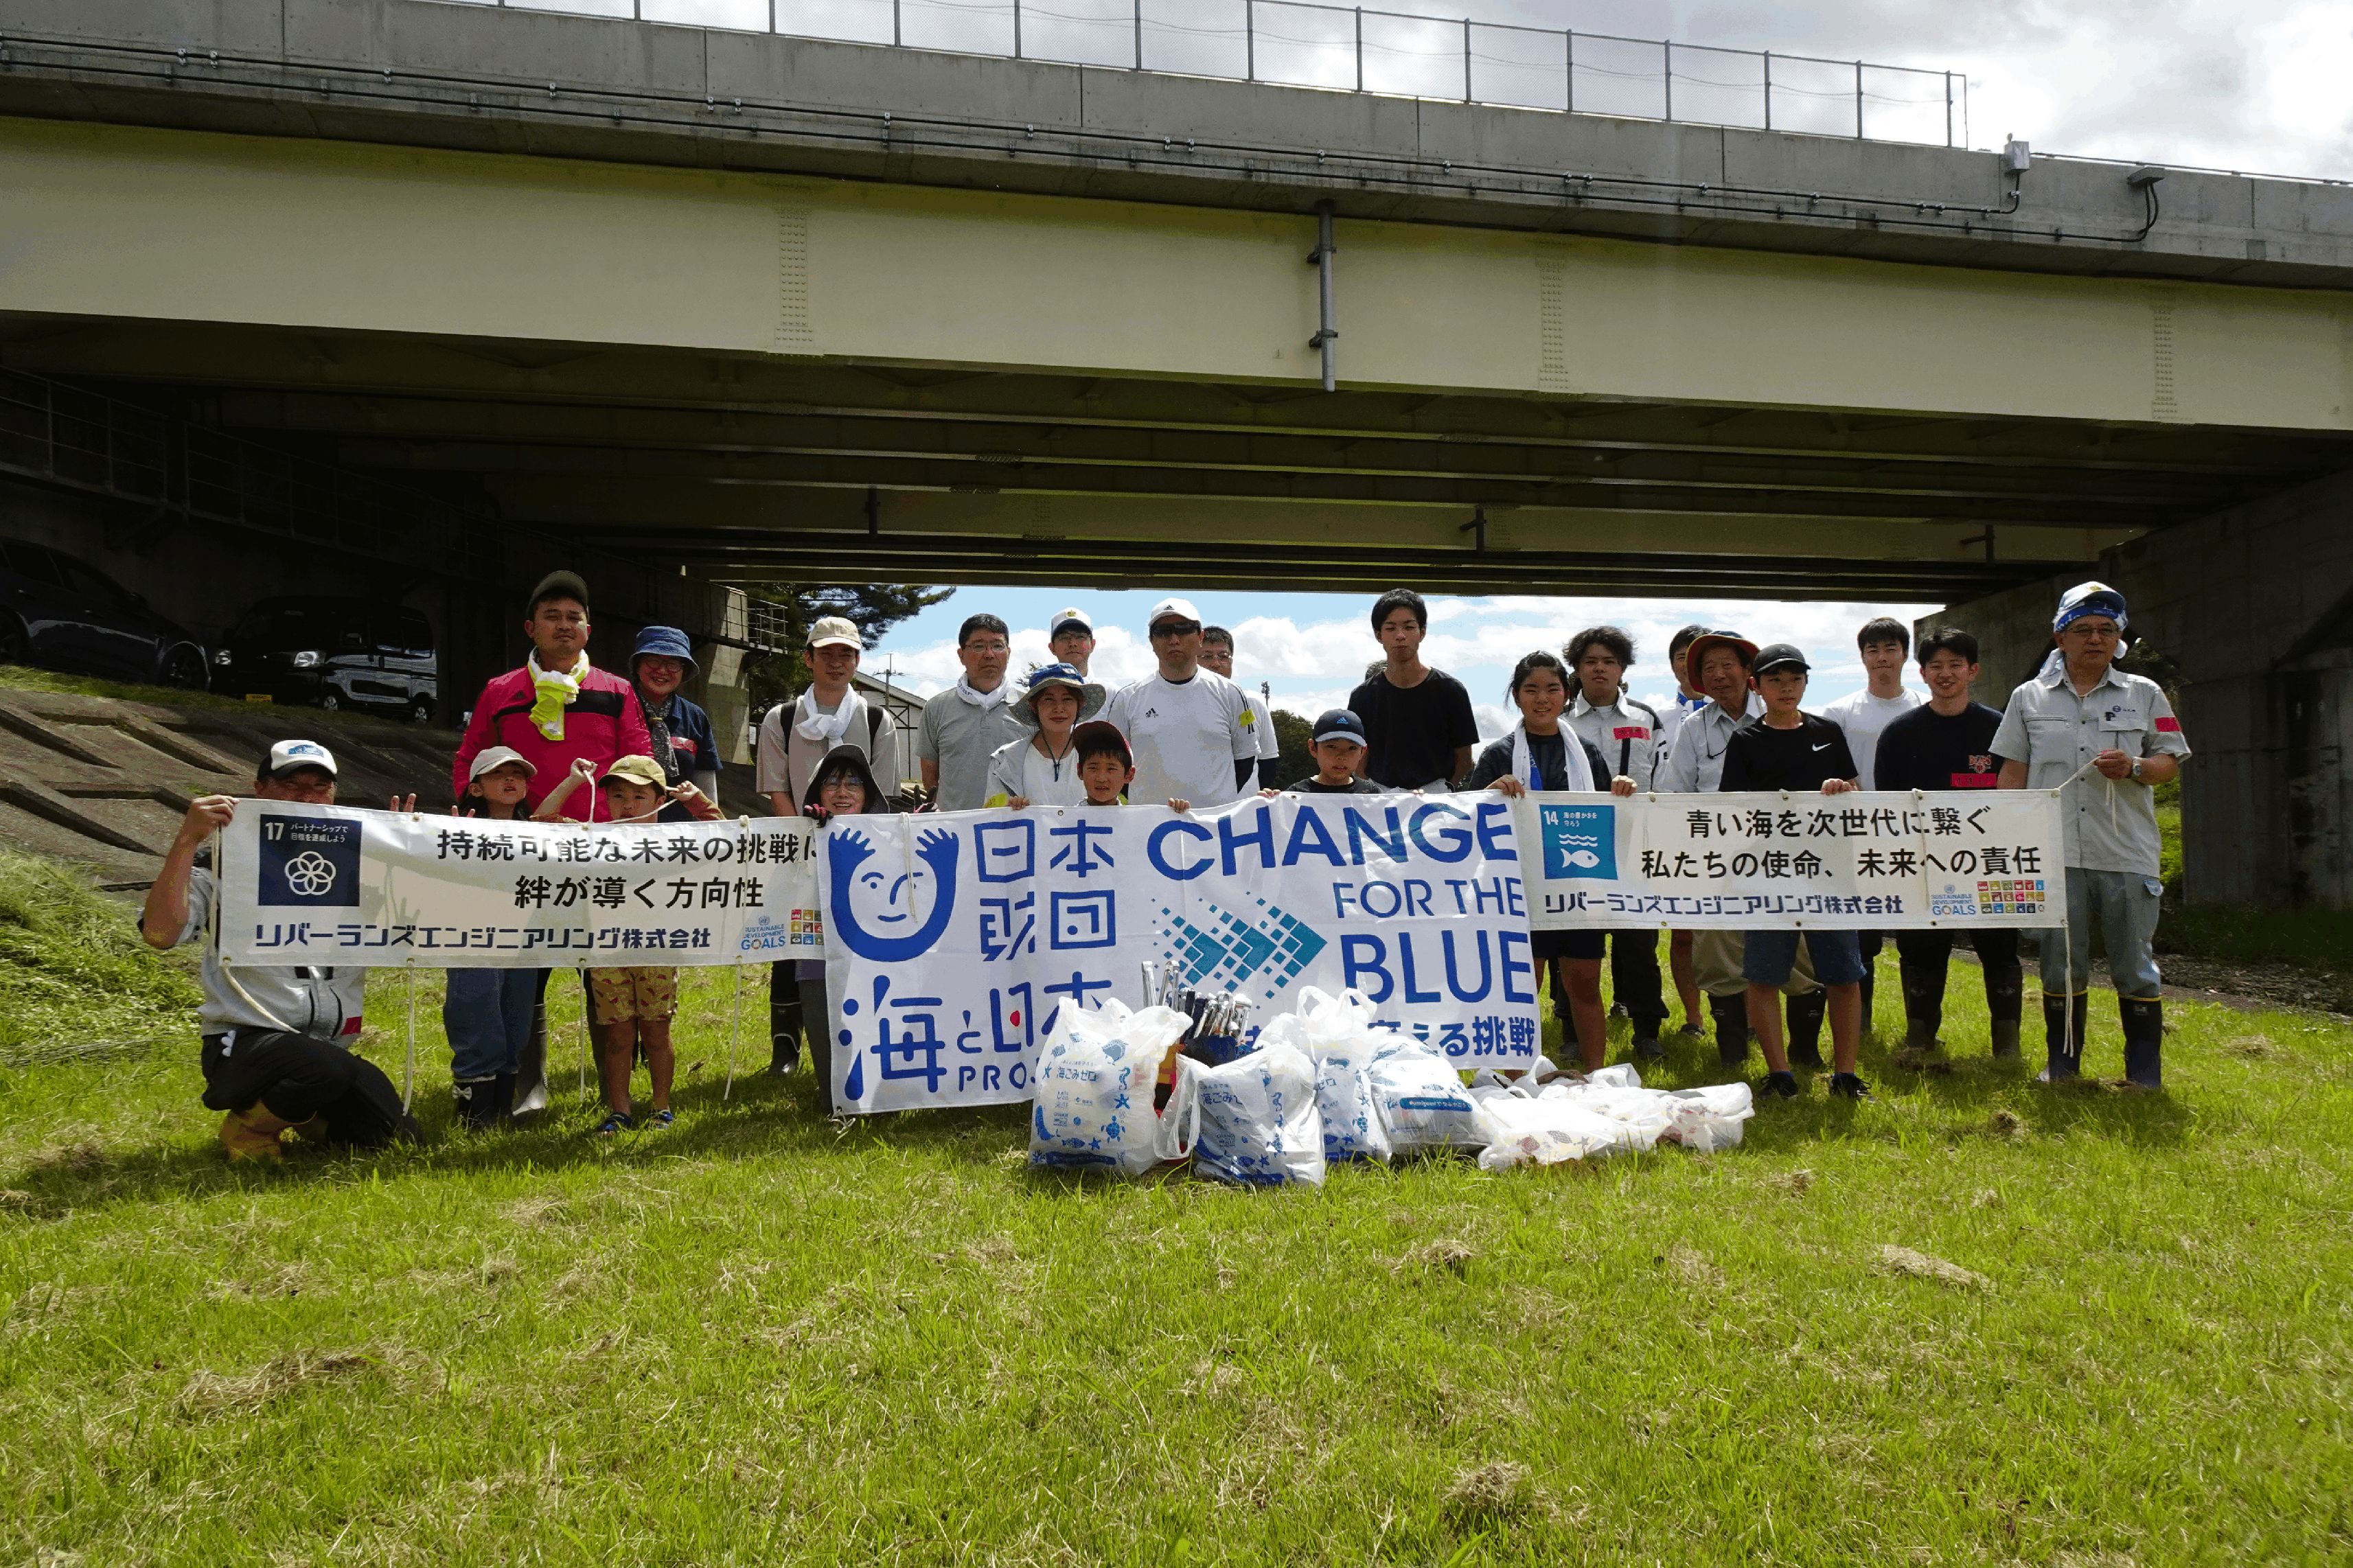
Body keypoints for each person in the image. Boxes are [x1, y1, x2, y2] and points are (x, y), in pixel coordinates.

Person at [140, 740, 419, 1162]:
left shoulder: (362, 865)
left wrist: (415, 856)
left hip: (328, 1047)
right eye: (293, 785)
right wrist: (186, 838)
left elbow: (417, 925)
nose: (306, 797)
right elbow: (160, 934)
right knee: (325, 1068)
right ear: (259, 789)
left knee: (397, 1139)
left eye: (319, 788)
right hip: (247, 1043)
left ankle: (302, 1114)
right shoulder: (221, 862)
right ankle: (249, 1127)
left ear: (334, 796)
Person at [1992, 581, 2189, 1089]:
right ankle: (2062, 1068)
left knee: (2133, 963)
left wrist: (2135, 766)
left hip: (2126, 850)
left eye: (2106, 629)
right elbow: (2012, 772)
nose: (2094, 639)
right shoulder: (2027, 698)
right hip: (2054, 854)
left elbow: (2169, 762)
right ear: (2059, 637)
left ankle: (2143, 1074)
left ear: (2119, 637)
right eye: (2082, 630)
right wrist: (2006, 839)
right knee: (2060, 964)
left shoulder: (2144, 693)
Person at [1657, 631, 1829, 1070]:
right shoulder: (1694, 729)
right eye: (1708, 668)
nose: (1718, 675)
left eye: (1727, 664)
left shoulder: (1788, 717)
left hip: (1791, 853)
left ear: (1751, 673)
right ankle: (1732, 1050)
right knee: (1718, 951)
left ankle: (1805, 1053)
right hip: (1719, 859)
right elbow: (1675, 794)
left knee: (1800, 949)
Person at [1468, 651, 1638, 1072]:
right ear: (1516, 695)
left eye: (1552, 689)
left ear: (1567, 694)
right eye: (1531, 689)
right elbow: (1468, 815)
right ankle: (1515, 1078)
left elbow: (1610, 818)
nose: (1542, 698)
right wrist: (1491, 791)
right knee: (1524, 987)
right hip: (1521, 888)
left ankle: (1596, 1076)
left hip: (1578, 889)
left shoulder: (1589, 754)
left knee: (1584, 984)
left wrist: (1621, 790)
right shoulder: (1498, 754)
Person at [753, 614, 906, 1078]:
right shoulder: (781, 719)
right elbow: (777, 787)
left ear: (858, 661)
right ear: (808, 658)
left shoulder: (878, 720)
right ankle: (786, 1046)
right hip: (795, 847)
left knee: (857, 938)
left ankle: (856, 1034)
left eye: (845, 653)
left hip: (859, 854)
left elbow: (885, 795)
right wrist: (804, 837)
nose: (835, 662)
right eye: (826, 653)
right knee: (790, 939)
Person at [536, 754, 721, 1134]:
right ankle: (620, 1111)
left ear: (659, 801)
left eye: (639, 796)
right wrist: (572, 782)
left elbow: (724, 837)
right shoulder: (593, 838)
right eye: (618, 796)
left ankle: (661, 1107)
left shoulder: (676, 841)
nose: (628, 805)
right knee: (618, 1035)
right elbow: (541, 825)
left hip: (657, 950)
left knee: (657, 1032)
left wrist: (697, 801)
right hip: (608, 953)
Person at [1719, 643, 1872, 1101]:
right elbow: (1732, 810)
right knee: (1764, 977)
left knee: (1844, 976)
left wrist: (1841, 789)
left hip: (1830, 872)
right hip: (1767, 874)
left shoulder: (1827, 731)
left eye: (1795, 679)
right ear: (1756, 686)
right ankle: (1779, 1074)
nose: (1786, 688)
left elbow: (1856, 792)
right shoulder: (1745, 741)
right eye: (1775, 681)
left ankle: (1845, 1075)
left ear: (1805, 682)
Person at [1873, 628, 2023, 1057]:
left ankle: (2006, 1045)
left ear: (1972, 671)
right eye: (1936, 666)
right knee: (1921, 950)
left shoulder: (1999, 729)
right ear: (1922, 673)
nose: (1945, 674)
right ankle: (1920, 1038)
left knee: (2000, 950)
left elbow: (2017, 800)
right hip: (1923, 863)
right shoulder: (1900, 733)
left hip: (1991, 862)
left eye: (1955, 665)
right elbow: (1890, 808)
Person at [450, 570, 652, 822]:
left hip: (598, 838)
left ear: (587, 630)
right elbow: (470, 760)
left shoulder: (618, 691)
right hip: (521, 837)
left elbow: (641, 766)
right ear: (530, 628)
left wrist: (635, 825)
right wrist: (478, 812)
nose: (564, 625)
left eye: (573, 617)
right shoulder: (499, 690)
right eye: (552, 616)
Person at [1563, 625, 1671, 1059]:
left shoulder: (1645, 719)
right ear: (1577, 669)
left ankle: (1648, 1030)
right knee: (1574, 942)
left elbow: (1663, 783)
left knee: (1639, 943)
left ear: (1623, 669)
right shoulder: (1561, 719)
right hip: (1574, 843)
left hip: (1634, 844)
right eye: (1590, 661)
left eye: (1609, 661)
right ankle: (1571, 1030)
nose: (1600, 669)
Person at [1822, 616, 1926, 1030]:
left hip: (1913, 835)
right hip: (1855, 835)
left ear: (1905, 654)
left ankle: (1919, 1026)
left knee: (1916, 930)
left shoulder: (1923, 706)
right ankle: (1859, 1023)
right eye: (1873, 651)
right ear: (1863, 657)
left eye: (1890, 649)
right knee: (1861, 934)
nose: (1882, 658)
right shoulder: (1840, 712)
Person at [443, 746, 542, 1130]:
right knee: (476, 1011)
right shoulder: (453, 828)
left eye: (518, 773)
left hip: (524, 939)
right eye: (499, 774)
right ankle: (473, 1113)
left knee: (515, 1020)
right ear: (476, 788)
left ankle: (501, 1108)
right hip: (471, 936)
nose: (511, 780)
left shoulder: (538, 831)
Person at [798, 744, 895, 1115]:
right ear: (816, 793)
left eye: (853, 783)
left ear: (867, 794)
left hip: (879, 961)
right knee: (827, 1035)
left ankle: (885, 1099)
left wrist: (921, 826)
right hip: (815, 959)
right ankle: (835, 1100)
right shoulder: (801, 833)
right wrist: (808, 833)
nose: (842, 792)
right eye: (831, 784)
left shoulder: (890, 835)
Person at [1101, 597, 1260, 812]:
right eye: (1164, 631)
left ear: (1201, 637)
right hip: (1148, 828)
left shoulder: (1230, 693)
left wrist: (1213, 805)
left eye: (1184, 629)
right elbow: (1115, 765)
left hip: (1214, 828)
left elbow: (1245, 760)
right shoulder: (1128, 698)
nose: (1174, 639)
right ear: (1151, 640)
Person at [1348, 588, 1478, 790]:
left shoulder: (1451, 691)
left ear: (1422, 632)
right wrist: (1373, 791)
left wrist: (1443, 789)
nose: (1400, 636)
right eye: (1391, 628)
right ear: (1378, 635)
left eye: (1409, 627)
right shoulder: (1363, 697)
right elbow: (1356, 755)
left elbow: (1464, 757)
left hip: (1436, 799)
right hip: (1379, 798)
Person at [1655, 622, 1714, 1041]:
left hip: (1730, 834)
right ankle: (1693, 1019)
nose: (1690, 664)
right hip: (1675, 833)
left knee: (1734, 931)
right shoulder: (1657, 717)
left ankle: (1740, 1018)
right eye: (1682, 656)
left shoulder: (1744, 714)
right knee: (1684, 932)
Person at [916, 613, 1026, 813]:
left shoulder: (1030, 707)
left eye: (997, 646)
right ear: (961, 655)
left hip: (1013, 829)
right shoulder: (936, 708)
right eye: (979, 646)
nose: (989, 654)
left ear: (1009, 653)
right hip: (955, 829)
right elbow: (930, 777)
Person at [627, 625, 722, 824]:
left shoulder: (695, 716)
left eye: (673, 664)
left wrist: (711, 826)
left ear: (684, 671)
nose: (662, 671)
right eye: (653, 661)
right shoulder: (618, 705)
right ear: (637, 665)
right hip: (621, 832)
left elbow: (706, 786)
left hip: (678, 837)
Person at [986, 662, 1106, 808]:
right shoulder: (1005, 761)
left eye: (1067, 699)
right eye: (1049, 700)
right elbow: (992, 818)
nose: (1059, 708)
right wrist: (1008, 810)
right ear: (1034, 706)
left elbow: (1116, 811)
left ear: (1079, 704)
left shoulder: (1102, 757)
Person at [1201, 625, 1282, 792]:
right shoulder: (1182, 703)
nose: (1216, 664)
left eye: (1223, 656)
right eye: (1206, 656)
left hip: (1243, 809)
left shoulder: (1254, 703)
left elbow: (1268, 761)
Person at [1273, 708, 1384, 794]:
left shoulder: (1371, 793)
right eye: (1332, 746)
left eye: (1352, 748)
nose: (1342, 756)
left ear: (1362, 752)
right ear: (1313, 748)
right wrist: (1267, 802)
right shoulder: (1297, 794)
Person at [1072, 720, 1135, 807]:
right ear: (1080, 772)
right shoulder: (1066, 819)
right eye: (1093, 768)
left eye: (1111, 769)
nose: (1101, 778)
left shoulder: (1136, 820)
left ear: (1129, 775)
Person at [1048, 607, 1097, 677]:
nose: (1073, 643)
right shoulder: (1039, 688)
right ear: (1052, 647)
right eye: (1064, 637)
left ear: (1092, 644)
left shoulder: (1109, 688)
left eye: (1080, 637)